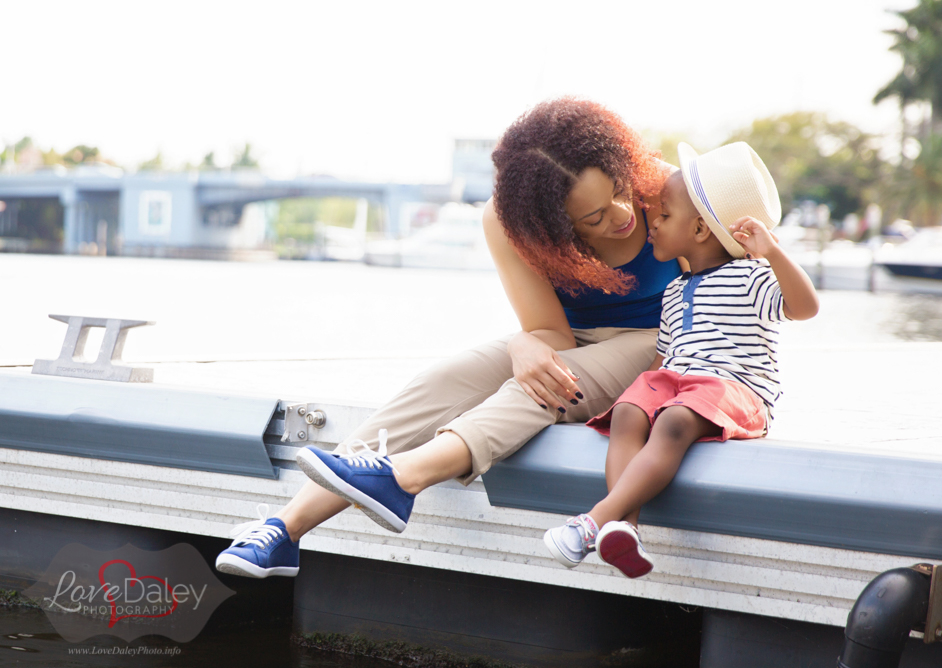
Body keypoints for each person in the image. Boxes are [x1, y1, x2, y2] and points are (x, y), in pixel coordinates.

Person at [214, 97, 685, 578]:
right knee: (442, 381)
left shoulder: (669, 188)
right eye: (594, 218)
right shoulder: (509, 223)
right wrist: (524, 342)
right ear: (553, 225)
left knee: (542, 386)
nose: (623, 213)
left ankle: (403, 477)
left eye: (619, 192)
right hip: (574, 338)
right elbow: (551, 332)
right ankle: (282, 531)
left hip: (662, 338)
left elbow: (717, 302)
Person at [542, 141, 820, 579]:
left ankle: (595, 521)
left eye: (665, 216)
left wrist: (773, 253)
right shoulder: (675, 291)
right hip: (680, 383)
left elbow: (805, 308)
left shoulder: (752, 276)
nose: (652, 223)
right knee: (631, 412)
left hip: (734, 390)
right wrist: (633, 397)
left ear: (700, 232)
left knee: (673, 420)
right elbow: (663, 359)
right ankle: (625, 530)